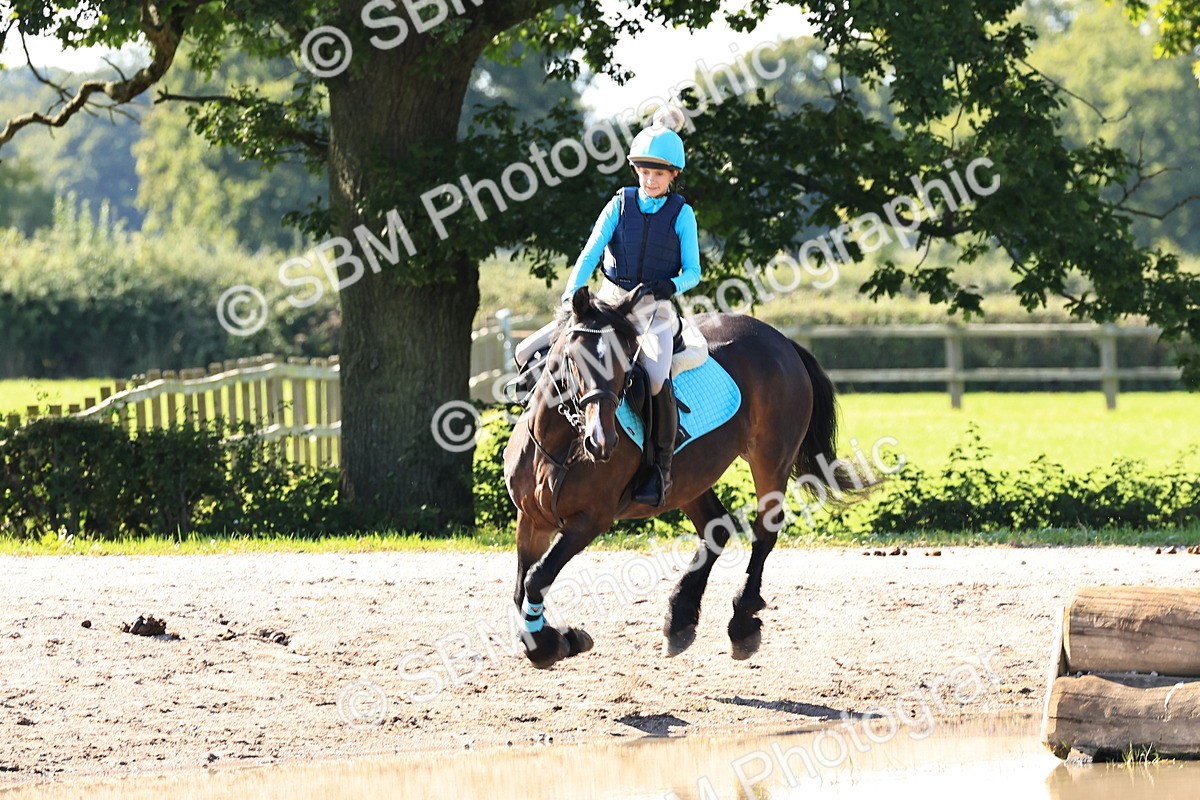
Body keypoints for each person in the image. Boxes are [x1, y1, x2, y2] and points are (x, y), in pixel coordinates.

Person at [513, 106, 701, 507]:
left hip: (653, 311)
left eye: (658, 173)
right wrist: (572, 295)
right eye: (644, 172)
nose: (649, 180)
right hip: (608, 302)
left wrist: (671, 284)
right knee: (525, 350)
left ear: (673, 176)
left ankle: (659, 467)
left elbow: (694, 271)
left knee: (653, 377)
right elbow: (590, 252)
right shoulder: (619, 204)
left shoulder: (683, 214)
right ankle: (534, 441)